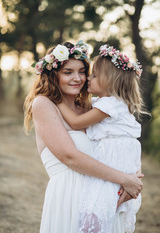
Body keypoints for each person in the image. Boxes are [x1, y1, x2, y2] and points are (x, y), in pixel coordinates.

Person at [24, 41, 143, 233]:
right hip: (68, 196)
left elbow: (125, 139)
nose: (78, 78)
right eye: (68, 72)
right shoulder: (44, 104)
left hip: (103, 198)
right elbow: (69, 156)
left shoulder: (93, 108)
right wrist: (124, 178)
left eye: (82, 71)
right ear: (53, 75)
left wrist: (134, 178)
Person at [57, 44, 145, 233]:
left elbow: (75, 122)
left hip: (113, 160)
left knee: (96, 212)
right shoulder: (107, 104)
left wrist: (57, 99)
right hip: (117, 159)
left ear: (111, 82)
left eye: (94, 75)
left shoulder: (110, 105)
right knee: (103, 211)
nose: (88, 78)